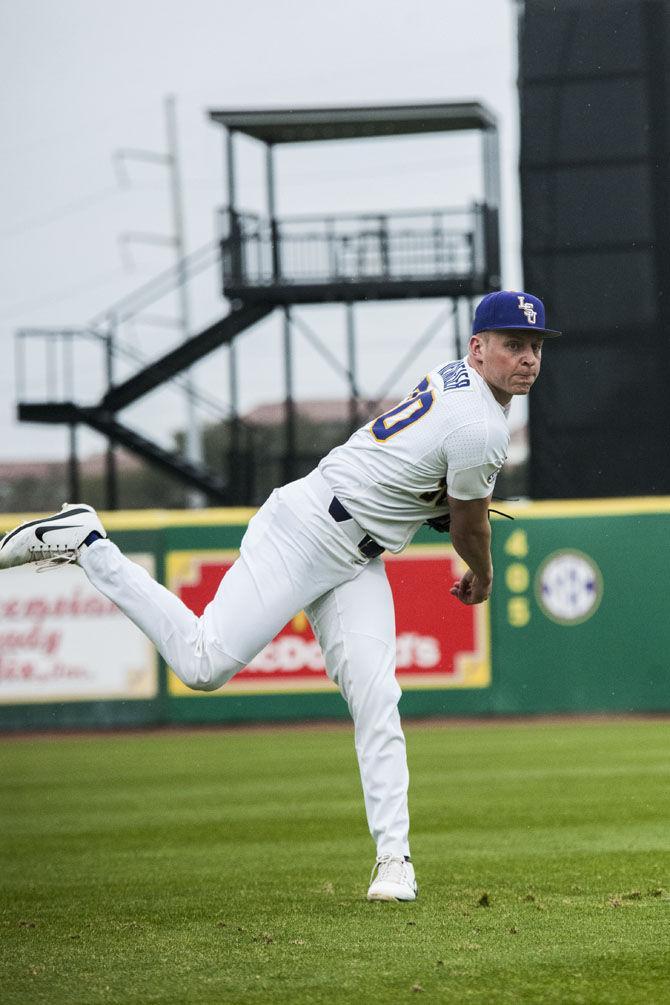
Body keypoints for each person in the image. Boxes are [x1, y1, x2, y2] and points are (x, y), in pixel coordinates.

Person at [0, 290, 561, 901]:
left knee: (378, 698)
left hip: (356, 553)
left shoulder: (457, 383)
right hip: (305, 529)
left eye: (534, 346)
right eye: (512, 344)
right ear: (477, 350)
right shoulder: (480, 422)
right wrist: (478, 572)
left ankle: (394, 860)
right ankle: (88, 542)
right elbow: (470, 524)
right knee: (203, 664)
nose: (528, 357)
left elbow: (420, 469)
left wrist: (425, 500)